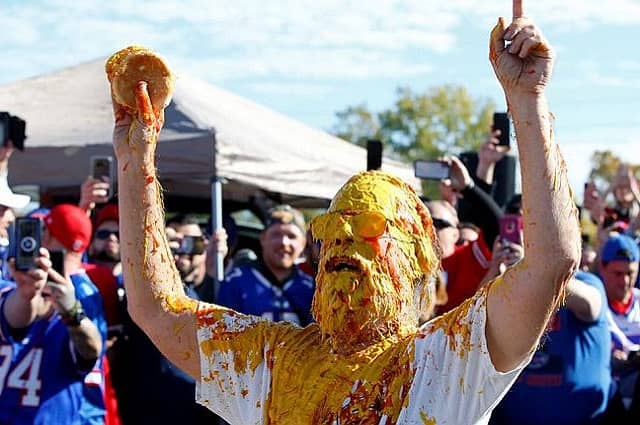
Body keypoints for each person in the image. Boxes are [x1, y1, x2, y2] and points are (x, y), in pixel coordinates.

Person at [110, 2, 580, 423]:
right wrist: (136, 163)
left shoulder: (450, 358)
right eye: (332, 231)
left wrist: (527, 101)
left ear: (419, 256)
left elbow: (551, 261)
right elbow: (156, 307)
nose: (342, 246)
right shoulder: (271, 363)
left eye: (369, 228)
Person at [0, 205, 107, 424]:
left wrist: (71, 310)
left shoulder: (84, 295)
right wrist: (26, 294)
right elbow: (15, 320)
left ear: (47, 237)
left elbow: (90, 352)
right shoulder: (19, 281)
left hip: (51, 413)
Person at [490, 270, 613, 425]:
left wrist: (537, 271)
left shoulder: (587, 282)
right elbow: (479, 319)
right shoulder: (507, 282)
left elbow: (590, 304)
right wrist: (499, 274)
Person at [217, 204, 315, 326]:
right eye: (276, 235)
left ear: (303, 242)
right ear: (263, 239)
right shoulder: (236, 282)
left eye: (292, 236)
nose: (284, 242)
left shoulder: (312, 288)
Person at [599, 234, 640, 416]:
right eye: (618, 273)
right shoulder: (593, 306)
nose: (624, 281)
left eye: (630, 273)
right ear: (602, 268)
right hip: (607, 398)